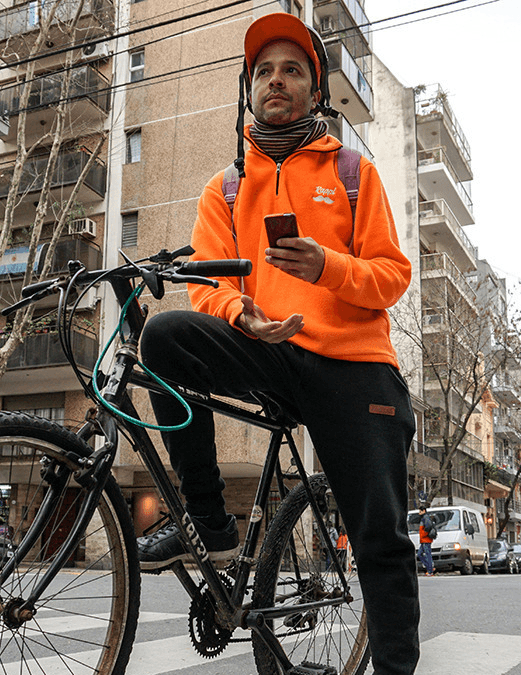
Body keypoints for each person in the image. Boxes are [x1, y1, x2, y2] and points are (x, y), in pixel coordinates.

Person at [136, 12, 419, 674]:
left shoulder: (352, 172)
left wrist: (327, 266)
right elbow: (208, 286)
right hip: (270, 353)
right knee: (166, 334)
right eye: (264, 70)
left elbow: (390, 276)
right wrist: (244, 315)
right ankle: (210, 523)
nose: (276, 80)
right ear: (249, 87)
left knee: (380, 538)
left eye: (292, 69)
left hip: (355, 366)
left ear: (314, 91)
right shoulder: (226, 187)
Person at [417, 505, 436, 576]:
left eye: (420, 511)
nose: (419, 513)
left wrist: (424, 534)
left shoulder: (425, 517)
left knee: (427, 554)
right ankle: (430, 567)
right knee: (420, 554)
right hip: (424, 540)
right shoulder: (425, 517)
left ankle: (430, 570)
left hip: (426, 540)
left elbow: (428, 526)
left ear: (423, 511)